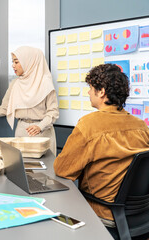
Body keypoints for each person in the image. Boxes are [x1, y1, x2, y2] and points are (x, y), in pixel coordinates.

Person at [53, 64, 149, 239]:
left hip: (102, 213)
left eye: (91, 88)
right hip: (140, 215)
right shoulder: (142, 126)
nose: (89, 92)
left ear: (102, 91)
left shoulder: (88, 125)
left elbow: (62, 170)